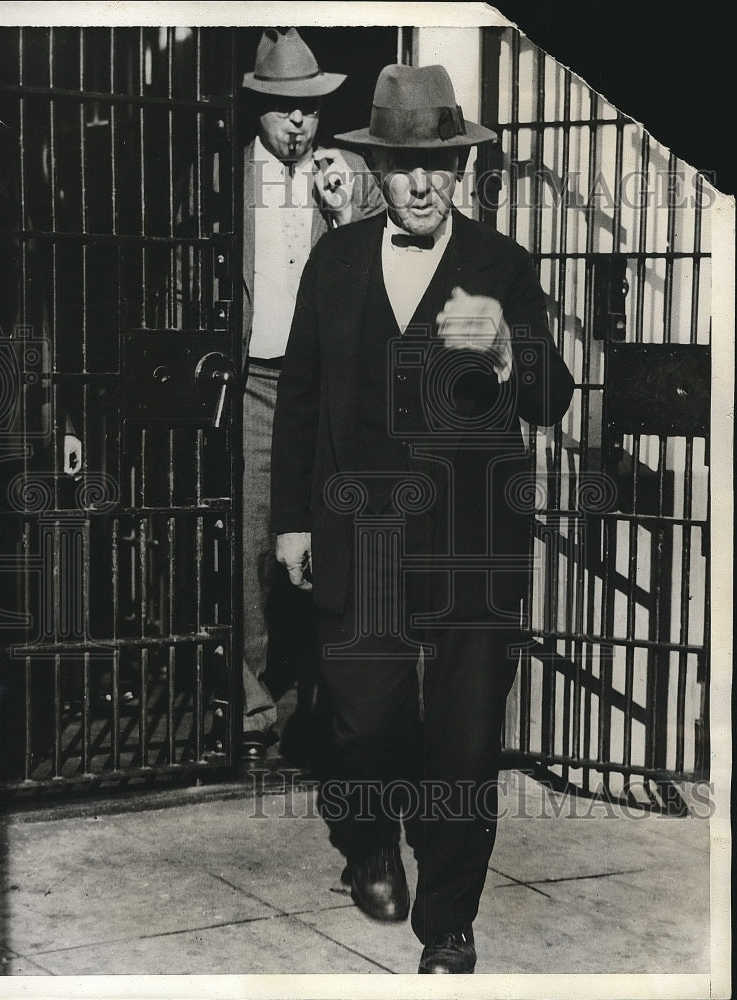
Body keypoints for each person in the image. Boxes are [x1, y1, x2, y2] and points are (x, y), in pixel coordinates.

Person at [270, 63, 574, 973]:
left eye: (439, 161)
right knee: (363, 723)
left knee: (465, 734)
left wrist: (510, 348)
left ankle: (449, 919)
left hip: (472, 539)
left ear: (460, 166)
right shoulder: (333, 261)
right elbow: (298, 399)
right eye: (403, 165)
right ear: (374, 169)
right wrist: (290, 522)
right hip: (357, 527)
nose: (421, 183)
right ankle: (366, 841)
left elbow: (553, 398)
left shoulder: (501, 266)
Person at [239, 28, 383, 766]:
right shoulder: (223, 178)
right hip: (255, 380)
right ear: (258, 108)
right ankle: (254, 710)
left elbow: (378, 264)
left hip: (331, 385)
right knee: (258, 544)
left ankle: (331, 709)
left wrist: (343, 212)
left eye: (310, 109)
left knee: (337, 536)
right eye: (282, 108)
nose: (298, 122)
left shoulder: (351, 173)